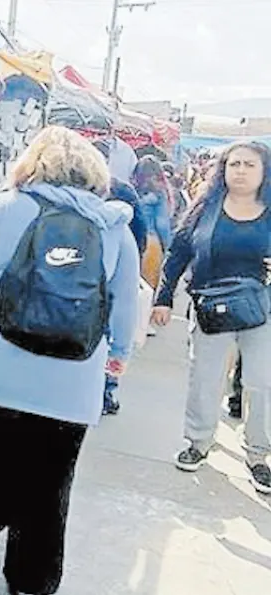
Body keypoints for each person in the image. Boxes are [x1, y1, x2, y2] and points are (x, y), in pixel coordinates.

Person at [0, 126, 139, 595]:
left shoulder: (2, 209)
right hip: (72, 375)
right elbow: (124, 302)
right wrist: (118, 354)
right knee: (52, 480)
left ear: (31, 164)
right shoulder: (114, 227)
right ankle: (31, 579)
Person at [151, 141, 271, 494]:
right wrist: (163, 298)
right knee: (204, 379)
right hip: (211, 308)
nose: (241, 170)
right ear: (223, 169)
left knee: (262, 383)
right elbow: (178, 253)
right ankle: (198, 443)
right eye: (234, 164)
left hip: (263, 310)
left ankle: (259, 456)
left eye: (250, 164)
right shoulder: (206, 209)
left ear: (264, 171)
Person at [95, 140, 147, 416]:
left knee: (108, 330)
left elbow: (138, 232)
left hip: (100, 276)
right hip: (110, 274)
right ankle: (105, 391)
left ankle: (105, 389)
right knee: (110, 331)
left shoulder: (121, 191)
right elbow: (139, 233)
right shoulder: (122, 190)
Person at [133, 155, 173, 289]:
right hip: (151, 243)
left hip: (132, 240)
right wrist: (168, 248)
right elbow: (162, 224)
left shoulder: (132, 191)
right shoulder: (159, 193)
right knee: (148, 291)